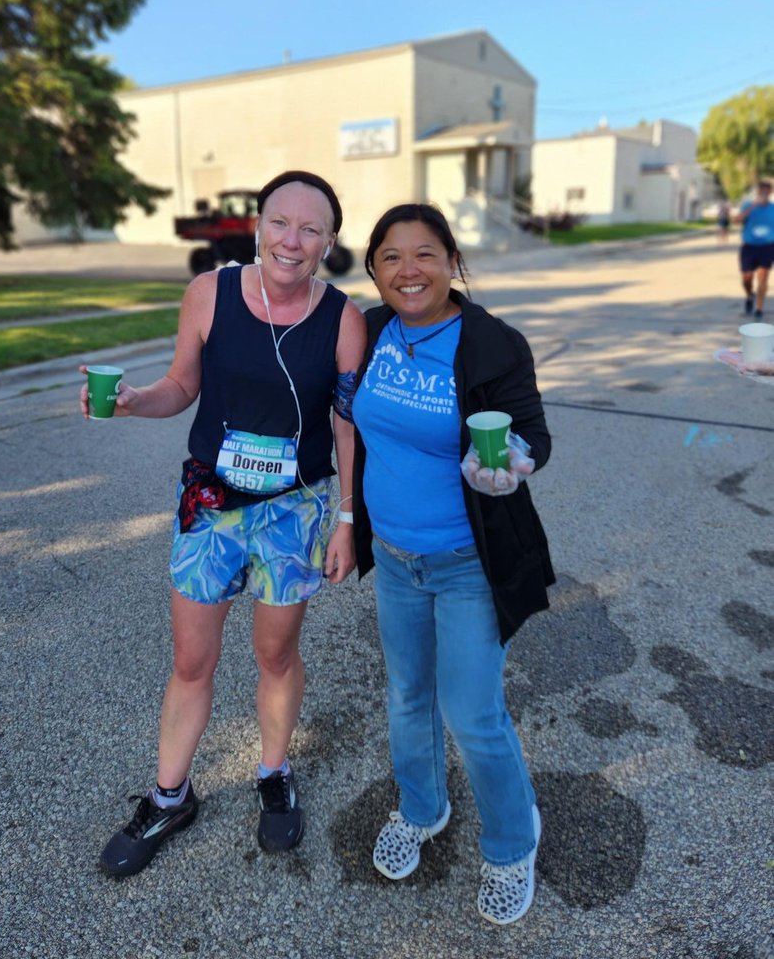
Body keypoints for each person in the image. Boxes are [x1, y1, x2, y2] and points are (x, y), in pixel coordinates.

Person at [83, 171, 366, 878]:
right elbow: (182, 385)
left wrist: (347, 519)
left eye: (311, 229)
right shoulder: (209, 292)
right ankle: (170, 795)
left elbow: (345, 423)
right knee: (191, 661)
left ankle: (273, 773)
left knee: (275, 655)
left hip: (294, 510)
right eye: (280, 222)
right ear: (257, 224)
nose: (292, 240)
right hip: (210, 505)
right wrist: (134, 401)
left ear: (330, 242)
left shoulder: (343, 319)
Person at [350, 203, 553, 926]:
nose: (409, 270)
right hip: (395, 557)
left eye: (425, 254)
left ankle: (510, 842)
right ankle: (422, 808)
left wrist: (514, 463)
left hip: (469, 560)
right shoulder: (367, 331)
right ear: (372, 268)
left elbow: (530, 432)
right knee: (406, 697)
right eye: (391, 257)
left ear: (452, 261)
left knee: (471, 712)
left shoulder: (492, 343)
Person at [736, 179, 774, 320]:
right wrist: (752, 206)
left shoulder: (773, 208)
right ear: (758, 191)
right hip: (749, 246)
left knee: (763, 275)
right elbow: (736, 221)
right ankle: (749, 295)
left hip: (768, 246)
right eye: (761, 189)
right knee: (747, 277)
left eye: (767, 189)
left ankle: (759, 309)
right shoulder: (748, 205)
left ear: (770, 192)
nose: (764, 192)